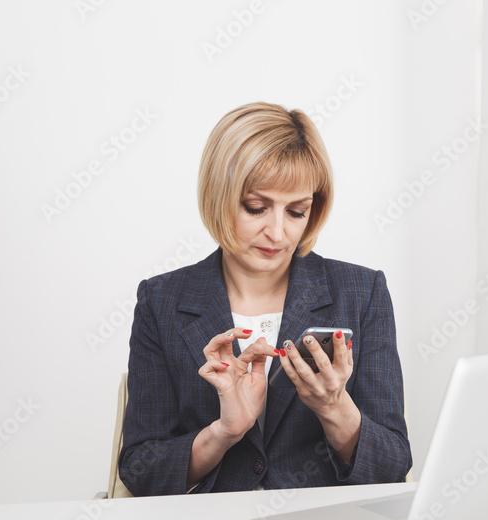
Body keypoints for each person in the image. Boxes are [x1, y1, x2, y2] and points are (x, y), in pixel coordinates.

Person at [119, 102, 411, 495]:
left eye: (296, 212)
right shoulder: (161, 301)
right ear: (219, 196)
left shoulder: (361, 292)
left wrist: (334, 408)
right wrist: (223, 432)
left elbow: (392, 466)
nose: (277, 233)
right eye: (256, 208)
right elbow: (139, 470)